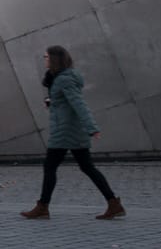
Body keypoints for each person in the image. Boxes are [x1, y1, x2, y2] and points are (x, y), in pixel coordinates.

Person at [22, 45, 125, 221]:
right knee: (86, 167)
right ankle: (114, 204)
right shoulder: (60, 78)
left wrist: (92, 127)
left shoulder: (64, 79)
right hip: (70, 131)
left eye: (46, 57)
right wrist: (51, 101)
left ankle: (42, 207)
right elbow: (66, 102)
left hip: (65, 132)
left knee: (50, 167)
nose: (44, 59)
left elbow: (79, 104)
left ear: (54, 59)